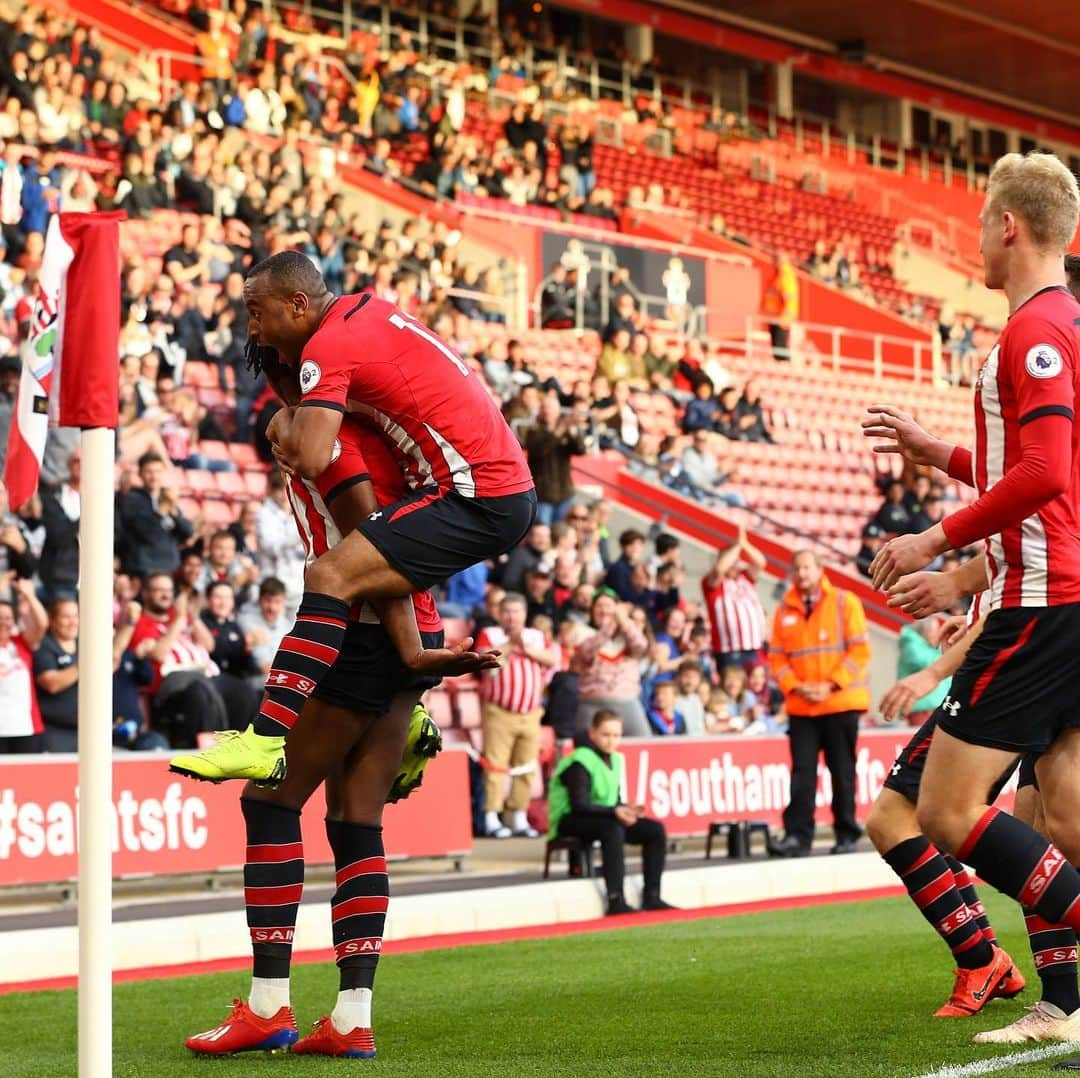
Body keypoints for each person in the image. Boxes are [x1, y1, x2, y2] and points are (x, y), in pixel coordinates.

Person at [185, 389, 479, 1060]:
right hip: (408, 627)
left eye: (281, 430)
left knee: (269, 800)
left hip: (368, 629)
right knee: (353, 819)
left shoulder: (337, 454)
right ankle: (351, 1019)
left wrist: (402, 649)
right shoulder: (367, 436)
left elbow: (377, 559)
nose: (277, 446)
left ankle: (267, 1007)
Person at [173, 252, 535, 784]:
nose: (255, 329)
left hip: (475, 493)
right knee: (353, 820)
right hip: (491, 491)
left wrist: (286, 426)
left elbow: (325, 466)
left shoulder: (330, 353)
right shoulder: (365, 312)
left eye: (258, 313)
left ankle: (266, 736)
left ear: (298, 304)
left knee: (331, 574)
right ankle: (410, 715)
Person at [861, 154, 1080, 1010]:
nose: (976, 240)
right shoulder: (1065, 324)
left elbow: (1046, 475)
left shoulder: (1033, 332)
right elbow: (1036, 469)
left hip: (1037, 604)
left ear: (1009, 226)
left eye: (981, 222)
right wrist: (942, 453)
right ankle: (1063, 1010)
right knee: (1055, 817)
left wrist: (933, 544)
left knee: (945, 815)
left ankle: (1032, 987)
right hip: (1063, 595)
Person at [768, 550, 870, 857]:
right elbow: (776, 657)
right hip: (802, 706)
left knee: (842, 771)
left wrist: (830, 685)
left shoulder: (844, 602)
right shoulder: (784, 608)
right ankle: (797, 836)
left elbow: (860, 652)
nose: (802, 573)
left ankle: (847, 833)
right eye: (797, 568)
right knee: (802, 773)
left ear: (820, 569)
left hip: (839, 702)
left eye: (807, 567)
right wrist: (797, 687)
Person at [547, 710, 675, 915]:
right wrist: (616, 811)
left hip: (603, 816)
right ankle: (616, 899)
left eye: (616, 735)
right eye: (605, 735)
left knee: (655, 830)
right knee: (612, 829)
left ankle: (652, 895)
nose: (610, 741)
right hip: (569, 819)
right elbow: (580, 804)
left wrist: (627, 809)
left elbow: (612, 800)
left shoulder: (615, 759)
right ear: (593, 733)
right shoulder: (580, 760)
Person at [474, 592, 558, 838]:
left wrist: (527, 649)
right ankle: (491, 816)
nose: (512, 617)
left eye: (517, 611)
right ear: (499, 614)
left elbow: (552, 659)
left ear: (524, 614)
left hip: (531, 713)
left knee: (526, 767)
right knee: (495, 766)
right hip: (499, 712)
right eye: (507, 611)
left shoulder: (536, 636)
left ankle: (517, 815)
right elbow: (486, 663)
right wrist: (512, 645)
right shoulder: (491, 634)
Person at [571, 589, 650, 737]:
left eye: (608, 606)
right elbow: (586, 652)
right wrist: (611, 626)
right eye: (599, 606)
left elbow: (640, 646)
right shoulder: (582, 632)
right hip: (592, 701)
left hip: (626, 700)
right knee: (585, 744)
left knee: (642, 740)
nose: (603, 610)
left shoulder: (627, 635)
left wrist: (624, 622)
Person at [114, 451, 193, 577]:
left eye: (158, 471)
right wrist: (161, 511)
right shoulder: (131, 500)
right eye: (149, 472)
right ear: (140, 473)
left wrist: (173, 512)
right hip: (143, 568)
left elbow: (187, 532)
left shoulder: (166, 498)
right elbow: (146, 533)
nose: (154, 476)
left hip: (171, 566)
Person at [700, 527, 767, 670]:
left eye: (736, 562)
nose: (734, 565)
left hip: (754, 647)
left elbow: (760, 562)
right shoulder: (714, 584)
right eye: (732, 562)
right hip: (730, 651)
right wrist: (737, 546)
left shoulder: (746, 578)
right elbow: (719, 569)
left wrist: (744, 545)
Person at [524, 393, 587, 526]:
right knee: (542, 531)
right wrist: (560, 430)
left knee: (560, 532)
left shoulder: (566, 430)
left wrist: (573, 430)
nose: (547, 411)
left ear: (558, 410)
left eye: (551, 408)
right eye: (544, 408)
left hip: (564, 493)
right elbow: (540, 450)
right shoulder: (533, 431)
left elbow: (580, 450)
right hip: (543, 495)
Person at [0, 580, 48, 753]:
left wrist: (29, 595)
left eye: (7, 618)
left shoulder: (21, 643)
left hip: (25, 727)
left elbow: (42, 624)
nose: (3, 622)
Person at [34, 598, 80, 752]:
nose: (73, 622)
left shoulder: (85, 644)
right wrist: (88, 666)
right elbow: (51, 683)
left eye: (76, 616)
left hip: (86, 731)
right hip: (55, 733)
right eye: (66, 617)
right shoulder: (45, 646)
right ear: (52, 620)